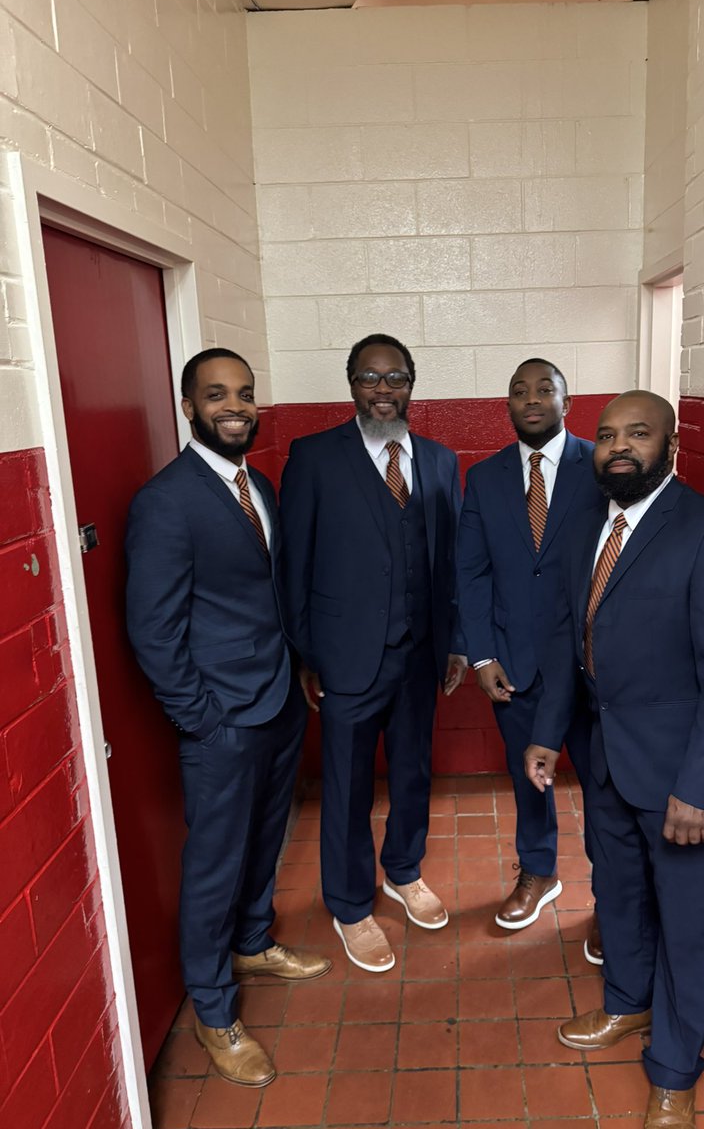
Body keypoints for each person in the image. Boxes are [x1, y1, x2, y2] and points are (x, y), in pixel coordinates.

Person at [525, 390, 704, 1129]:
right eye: (606, 435)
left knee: (686, 919)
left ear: (671, 443)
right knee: (618, 892)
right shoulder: (586, 526)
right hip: (602, 756)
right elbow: (570, 636)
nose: (618, 447)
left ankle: (673, 1072)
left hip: (678, 777)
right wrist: (545, 736)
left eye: (638, 434)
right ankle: (627, 1004)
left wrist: (700, 785)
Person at [125, 349, 331, 1089]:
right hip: (222, 721)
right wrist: (202, 719)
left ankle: (252, 942)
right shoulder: (167, 501)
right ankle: (214, 1011)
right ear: (189, 408)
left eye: (244, 394)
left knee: (266, 838)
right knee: (214, 862)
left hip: (275, 703)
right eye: (217, 396)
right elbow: (152, 629)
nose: (236, 406)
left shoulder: (260, 484)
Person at [279, 334, 467, 973]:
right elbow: (293, 564)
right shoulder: (313, 457)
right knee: (348, 783)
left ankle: (403, 871)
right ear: (351, 383)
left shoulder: (441, 462)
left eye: (396, 377)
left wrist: (456, 643)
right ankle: (351, 904)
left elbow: (453, 564)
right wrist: (307, 653)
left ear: (413, 383)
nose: (383, 389)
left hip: (421, 654)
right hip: (346, 655)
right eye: (369, 377)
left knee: (414, 771)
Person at [457, 358, 604, 956]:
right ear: (508, 406)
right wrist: (480, 655)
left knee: (605, 786)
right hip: (515, 664)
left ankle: (611, 896)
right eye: (519, 391)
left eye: (546, 388)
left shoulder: (600, 465)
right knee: (530, 781)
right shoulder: (485, 477)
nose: (532, 398)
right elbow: (471, 570)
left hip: (591, 667)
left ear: (568, 402)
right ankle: (538, 872)